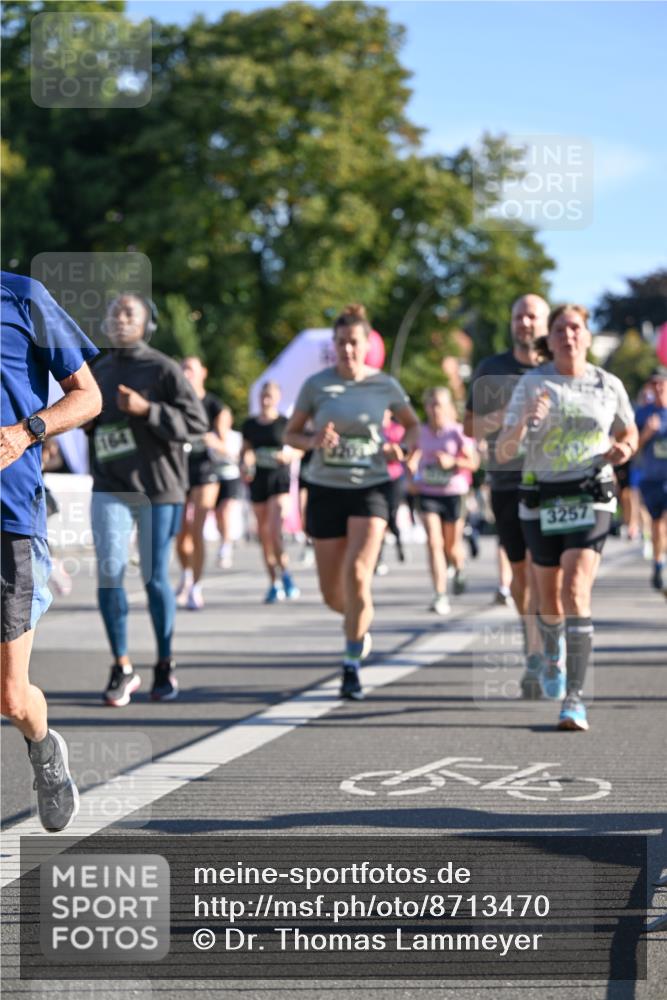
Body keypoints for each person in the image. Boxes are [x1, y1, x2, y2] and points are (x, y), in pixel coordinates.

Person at [496, 304, 637, 731]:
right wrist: (524, 421)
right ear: (550, 339)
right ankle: (552, 650)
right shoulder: (532, 384)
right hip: (542, 497)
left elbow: (627, 430)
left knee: (576, 589)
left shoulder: (607, 384)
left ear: (587, 336)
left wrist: (625, 449)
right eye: (559, 329)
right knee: (549, 601)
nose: (568, 335)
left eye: (575, 328)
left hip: (591, 492)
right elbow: (502, 452)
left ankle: (574, 698)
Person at [1, 271, 101, 831]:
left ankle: (43, 748)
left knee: (11, 697)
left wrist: (26, 431)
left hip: (10, 515)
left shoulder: (22, 296)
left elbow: (89, 396)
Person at [284, 304, 419, 700]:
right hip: (325, 488)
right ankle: (357, 622)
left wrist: (403, 450)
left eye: (354, 342)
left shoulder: (385, 385)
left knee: (358, 573)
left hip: (371, 487)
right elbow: (290, 435)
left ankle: (350, 664)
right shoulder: (316, 385)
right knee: (333, 594)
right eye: (341, 343)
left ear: (367, 344)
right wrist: (313, 441)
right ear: (334, 345)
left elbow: (413, 427)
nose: (347, 349)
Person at [88, 293, 208, 706]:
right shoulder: (98, 370)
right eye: (113, 312)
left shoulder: (163, 368)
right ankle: (121, 666)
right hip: (110, 485)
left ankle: (164, 663)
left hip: (159, 488)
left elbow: (197, 423)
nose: (119, 319)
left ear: (146, 324)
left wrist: (147, 409)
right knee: (109, 573)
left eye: (128, 313)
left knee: (155, 577)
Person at [464, 293, 550, 698]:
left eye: (532, 316)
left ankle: (543, 649)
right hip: (506, 481)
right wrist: (510, 414)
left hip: (553, 481)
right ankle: (532, 640)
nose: (525, 323)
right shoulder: (491, 369)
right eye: (519, 316)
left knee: (544, 568)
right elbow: (470, 427)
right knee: (520, 573)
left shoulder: (558, 368)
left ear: (545, 323)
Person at [409, 387, 479, 614]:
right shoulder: (419, 432)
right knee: (433, 542)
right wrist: (410, 474)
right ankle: (440, 594)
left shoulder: (457, 432)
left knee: (451, 546)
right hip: (427, 492)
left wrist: (452, 462)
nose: (435, 409)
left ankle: (458, 568)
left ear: (448, 407)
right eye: (431, 404)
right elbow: (410, 457)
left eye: (439, 404)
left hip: (453, 493)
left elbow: (474, 463)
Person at [242, 381, 300, 603]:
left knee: (275, 531)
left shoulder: (285, 423)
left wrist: (289, 455)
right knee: (264, 535)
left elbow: (300, 448)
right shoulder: (250, 424)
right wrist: (246, 462)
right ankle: (273, 582)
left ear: (278, 398)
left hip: (279, 481)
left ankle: (285, 573)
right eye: (263, 396)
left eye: (270, 396)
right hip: (258, 481)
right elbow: (246, 450)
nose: (266, 400)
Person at [175, 356, 227, 609]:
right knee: (180, 532)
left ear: (203, 373)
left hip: (206, 471)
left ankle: (196, 587)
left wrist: (209, 439)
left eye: (191, 369)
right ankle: (186, 575)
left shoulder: (215, 405)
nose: (187, 373)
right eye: (183, 368)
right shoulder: (175, 402)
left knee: (197, 529)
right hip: (180, 471)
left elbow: (225, 445)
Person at [634, 367, 667, 591]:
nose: (658, 387)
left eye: (661, 383)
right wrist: (646, 432)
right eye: (653, 383)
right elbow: (633, 447)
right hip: (651, 478)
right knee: (656, 525)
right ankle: (657, 564)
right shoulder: (643, 414)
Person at [214, 405, 244, 569]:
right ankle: (224, 539)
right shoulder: (210, 435)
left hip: (231, 477)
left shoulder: (236, 437)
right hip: (214, 478)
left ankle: (226, 547)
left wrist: (219, 445)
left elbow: (235, 455)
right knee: (218, 515)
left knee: (226, 511)